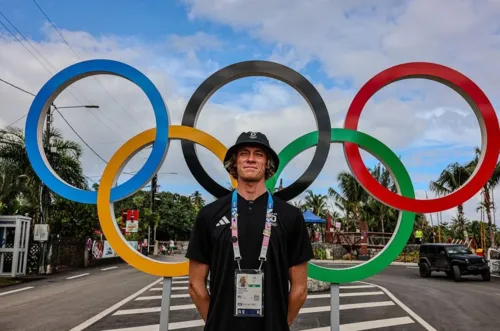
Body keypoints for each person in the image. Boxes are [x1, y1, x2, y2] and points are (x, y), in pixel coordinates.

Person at [186, 131, 313, 331]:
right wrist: (216, 323)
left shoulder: (291, 216)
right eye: (244, 153)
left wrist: (278, 324)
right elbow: (195, 285)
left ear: (267, 164)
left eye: (259, 154)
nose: (251, 159)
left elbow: (300, 289)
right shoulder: (208, 215)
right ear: (234, 163)